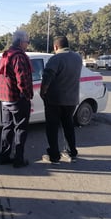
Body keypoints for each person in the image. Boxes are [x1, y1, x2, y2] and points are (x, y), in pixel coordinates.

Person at [40, 36, 83, 164]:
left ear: (56, 47)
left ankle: (54, 155)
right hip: (72, 99)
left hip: (55, 100)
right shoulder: (77, 58)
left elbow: (47, 77)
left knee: (52, 127)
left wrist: (43, 92)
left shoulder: (56, 59)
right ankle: (71, 152)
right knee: (68, 125)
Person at [0, 30, 34, 168]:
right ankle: (19, 159)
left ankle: (3, 156)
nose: (27, 44)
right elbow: (22, 79)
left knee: (7, 128)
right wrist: (28, 94)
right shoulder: (19, 56)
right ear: (20, 42)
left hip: (5, 98)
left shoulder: (6, 54)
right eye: (27, 41)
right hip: (17, 98)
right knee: (21, 128)